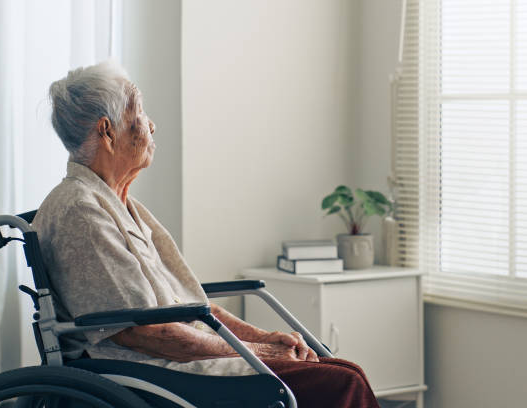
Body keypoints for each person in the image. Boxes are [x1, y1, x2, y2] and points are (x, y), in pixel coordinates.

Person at [32, 60, 379, 408]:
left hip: (174, 358)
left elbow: (186, 307)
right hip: (146, 371)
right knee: (340, 384)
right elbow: (147, 333)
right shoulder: (81, 210)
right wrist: (259, 351)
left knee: (345, 370)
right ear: (107, 132)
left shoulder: (118, 203)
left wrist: (266, 338)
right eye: (139, 111)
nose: (152, 124)